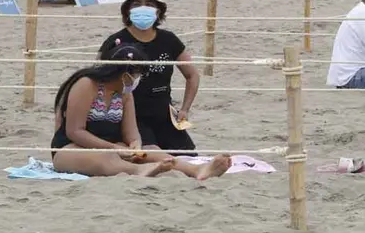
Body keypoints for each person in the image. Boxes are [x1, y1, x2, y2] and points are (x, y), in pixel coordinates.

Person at [96, 0, 231, 178]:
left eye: (149, 3)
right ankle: (194, 172)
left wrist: (185, 109)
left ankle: (196, 168)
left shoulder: (169, 40)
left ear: (159, 11)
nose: (143, 8)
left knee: (189, 155)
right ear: (127, 10)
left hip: (164, 113)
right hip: (131, 114)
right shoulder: (116, 42)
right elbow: (97, 78)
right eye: (137, 3)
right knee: (149, 151)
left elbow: (192, 75)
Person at [52, 42, 231, 179]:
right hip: (71, 148)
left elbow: (131, 133)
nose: (138, 79)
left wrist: (134, 145)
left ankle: (196, 170)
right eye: (136, 74)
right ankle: (139, 170)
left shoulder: (125, 92)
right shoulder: (86, 85)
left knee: (150, 151)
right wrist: (113, 148)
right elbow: (75, 131)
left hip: (112, 146)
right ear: (123, 73)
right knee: (105, 158)